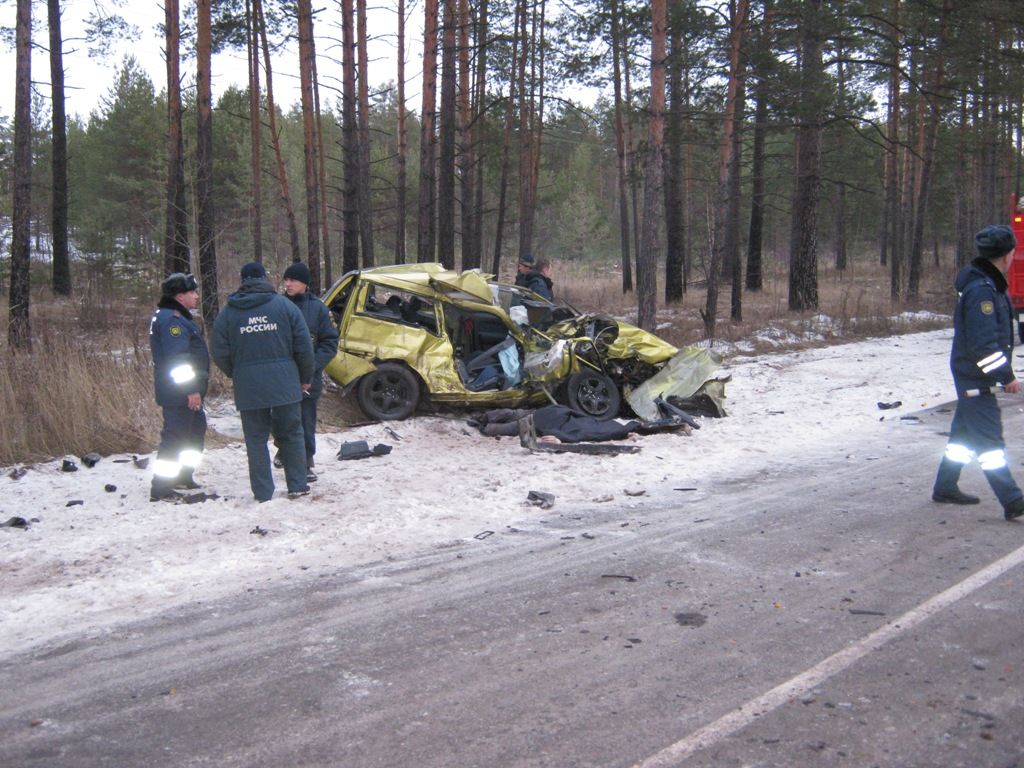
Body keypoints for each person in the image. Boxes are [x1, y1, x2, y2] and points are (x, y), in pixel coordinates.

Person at [932, 224, 1024, 521]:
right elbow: (984, 346)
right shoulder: (982, 290)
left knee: (962, 434)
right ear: (1007, 255)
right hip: (975, 376)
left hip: (971, 373)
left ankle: (945, 486)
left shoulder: (987, 284)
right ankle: (1013, 499)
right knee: (989, 442)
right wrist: (1006, 376)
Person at [212, 262, 316, 502]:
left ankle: (262, 492)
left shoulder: (229, 312)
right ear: (264, 278)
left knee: (256, 440)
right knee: (291, 434)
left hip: (249, 387)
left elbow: (218, 350)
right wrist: (304, 377)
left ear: (243, 280)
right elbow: (304, 347)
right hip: (285, 383)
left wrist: (237, 372)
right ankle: (298, 485)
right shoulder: (285, 307)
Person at [149, 272, 210, 501]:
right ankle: (162, 487)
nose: (196, 296)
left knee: (195, 433)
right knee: (175, 438)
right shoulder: (172, 320)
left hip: (182, 392)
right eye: (193, 292)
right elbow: (178, 360)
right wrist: (191, 389)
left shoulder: (175, 317)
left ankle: (183, 475)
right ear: (180, 295)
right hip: (179, 393)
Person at [277, 261, 340, 482]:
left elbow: (330, 343)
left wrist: (311, 366)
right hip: (283, 374)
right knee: (282, 419)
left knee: (305, 419)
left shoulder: (319, 309)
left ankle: (305, 461)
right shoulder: (278, 305)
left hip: (308, 376)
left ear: (305, 283)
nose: (288, 283)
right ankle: (284, 451)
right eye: (286, 279)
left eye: (293, 280)